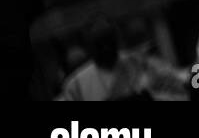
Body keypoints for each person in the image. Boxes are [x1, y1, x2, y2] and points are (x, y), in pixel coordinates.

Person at [60, 18, 189, 101]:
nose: (105, 49)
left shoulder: (141, 63)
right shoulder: (76, 85)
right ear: (90, 48)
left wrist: (151, 96)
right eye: (99, 45)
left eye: (109, 42)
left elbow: (180, 92)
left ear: (117, 41)